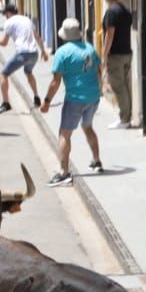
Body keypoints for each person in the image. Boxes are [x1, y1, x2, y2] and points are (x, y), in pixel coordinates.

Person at [41, 18, 103, 185]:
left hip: (75, 99)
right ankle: (97, 161)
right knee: (87, 126)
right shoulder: (90, 48)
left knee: (64, 134)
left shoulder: (62, 52)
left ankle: (64, 172)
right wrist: (98, 91)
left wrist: (46, 101)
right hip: (93, 97)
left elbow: (55, 82)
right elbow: (99, 71)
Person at [0, 4, 47, 113]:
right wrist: (43, 51)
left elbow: (4, 43)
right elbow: (37, 36)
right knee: (28, 72)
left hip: (22, 54)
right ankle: (36, 96)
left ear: (9, 13)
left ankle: (5, 103)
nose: (5, 16)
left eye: (5, 14)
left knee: (3, 74)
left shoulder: (9, 22)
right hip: (34, 53)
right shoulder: (27, 19)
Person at [101, 0, 135, 130]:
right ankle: (127, 115)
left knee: (118, 86)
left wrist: (104, 55)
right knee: (126, 86)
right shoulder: (125, 10)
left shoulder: (111, 12)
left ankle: (124, 118)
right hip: (127, 52)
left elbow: (109, 34)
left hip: (115, 55)